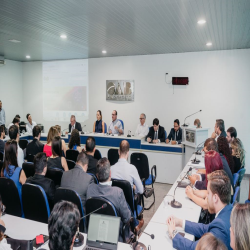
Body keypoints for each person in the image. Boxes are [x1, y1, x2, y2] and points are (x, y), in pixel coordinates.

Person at [167, 170, 233, 250]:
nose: (206, 196)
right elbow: (206, 229)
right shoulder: (229, 209)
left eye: (208, 193)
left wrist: (174, 233)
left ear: (215, 198)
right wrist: (181, 222)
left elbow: (194, 247)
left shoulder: (220, 228)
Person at [87, 158, 138, 241]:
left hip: (94, 234)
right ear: (110, 173)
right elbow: (127, 218)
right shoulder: (118, 192)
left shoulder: (90, 188)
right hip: (115, 236)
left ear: (97, 175)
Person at [1, 140, 26, 216]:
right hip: (20, 210)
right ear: (15, 153)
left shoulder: (3, 170)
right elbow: (27, 192)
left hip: (7, 208)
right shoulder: (20, 172)